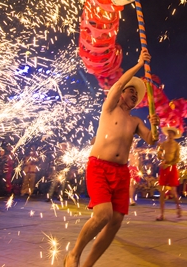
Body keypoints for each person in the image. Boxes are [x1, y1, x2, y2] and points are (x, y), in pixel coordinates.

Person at [64, 48, 159, 267]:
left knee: (115, 221)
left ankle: (87, 264)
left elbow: (152, 139)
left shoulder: (135, 121)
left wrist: (155, 125)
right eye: (130, 91)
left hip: (121, 172)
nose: (133, 95)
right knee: (103, 214)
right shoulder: (109, 108)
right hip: (99, 166)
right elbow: (117, 85)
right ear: (121, 94)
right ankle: (75, 253)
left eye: (137, 95)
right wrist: (138, 64)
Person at [156, 126, 182, 221]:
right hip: (164, 168)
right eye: (169, 133)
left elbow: (177, 158)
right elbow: (159, 156)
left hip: (172, 169)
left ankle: (178, 208)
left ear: (174, 135)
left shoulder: (176, 145)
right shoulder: (163, 144)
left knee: (173, 192)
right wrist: (159, 150)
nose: (170, 135)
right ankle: (161, 214)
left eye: (172, 134)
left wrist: (169, 164)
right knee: (162, 192)